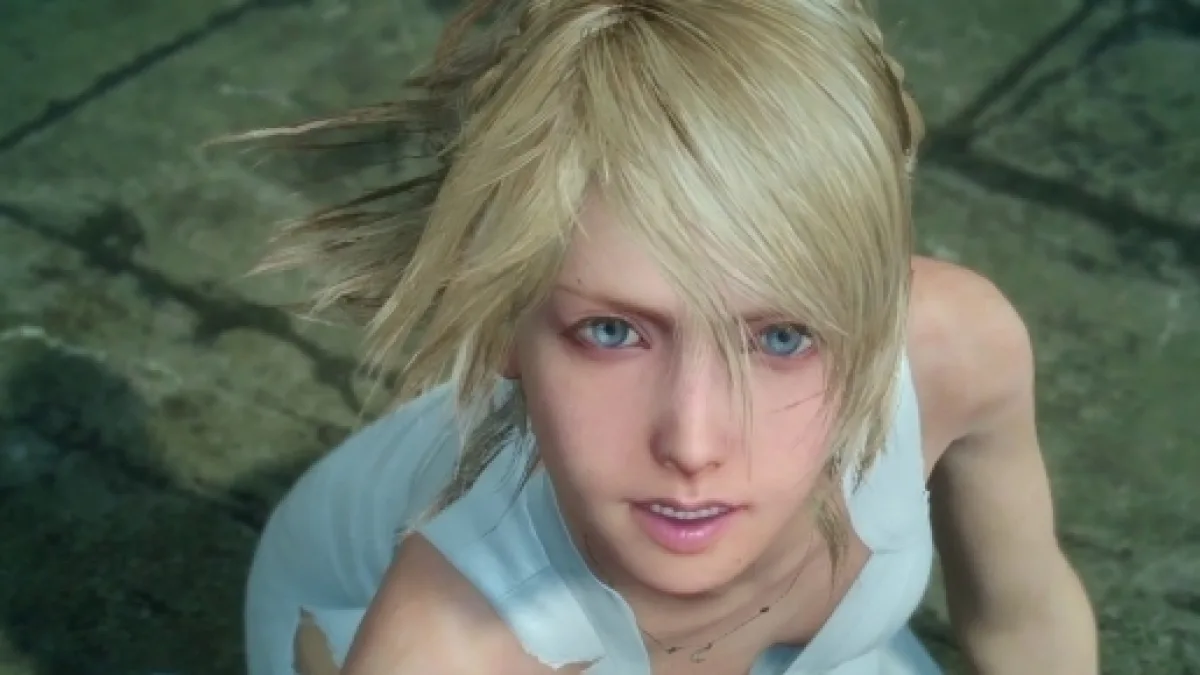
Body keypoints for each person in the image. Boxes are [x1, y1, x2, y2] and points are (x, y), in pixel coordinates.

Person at [239, 0, 1099, 673]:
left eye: (785, 336)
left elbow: (1022, 625)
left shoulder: (955, 346)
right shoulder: (442, 649)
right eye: (612, 330)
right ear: (501, 321)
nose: (693, 443)